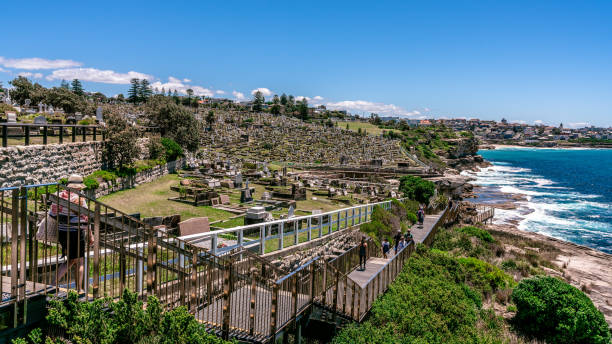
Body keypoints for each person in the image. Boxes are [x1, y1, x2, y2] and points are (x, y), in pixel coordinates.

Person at [49, 174, 94, 291]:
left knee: (71, 260)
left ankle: (53, 284)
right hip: (75, 232)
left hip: (62, 232)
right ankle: (79, 289)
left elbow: (52, 214)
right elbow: (86, 219)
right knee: (80, 261)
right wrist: (90, 235)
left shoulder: (58, 196)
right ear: (78, 187)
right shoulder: (79, 199)